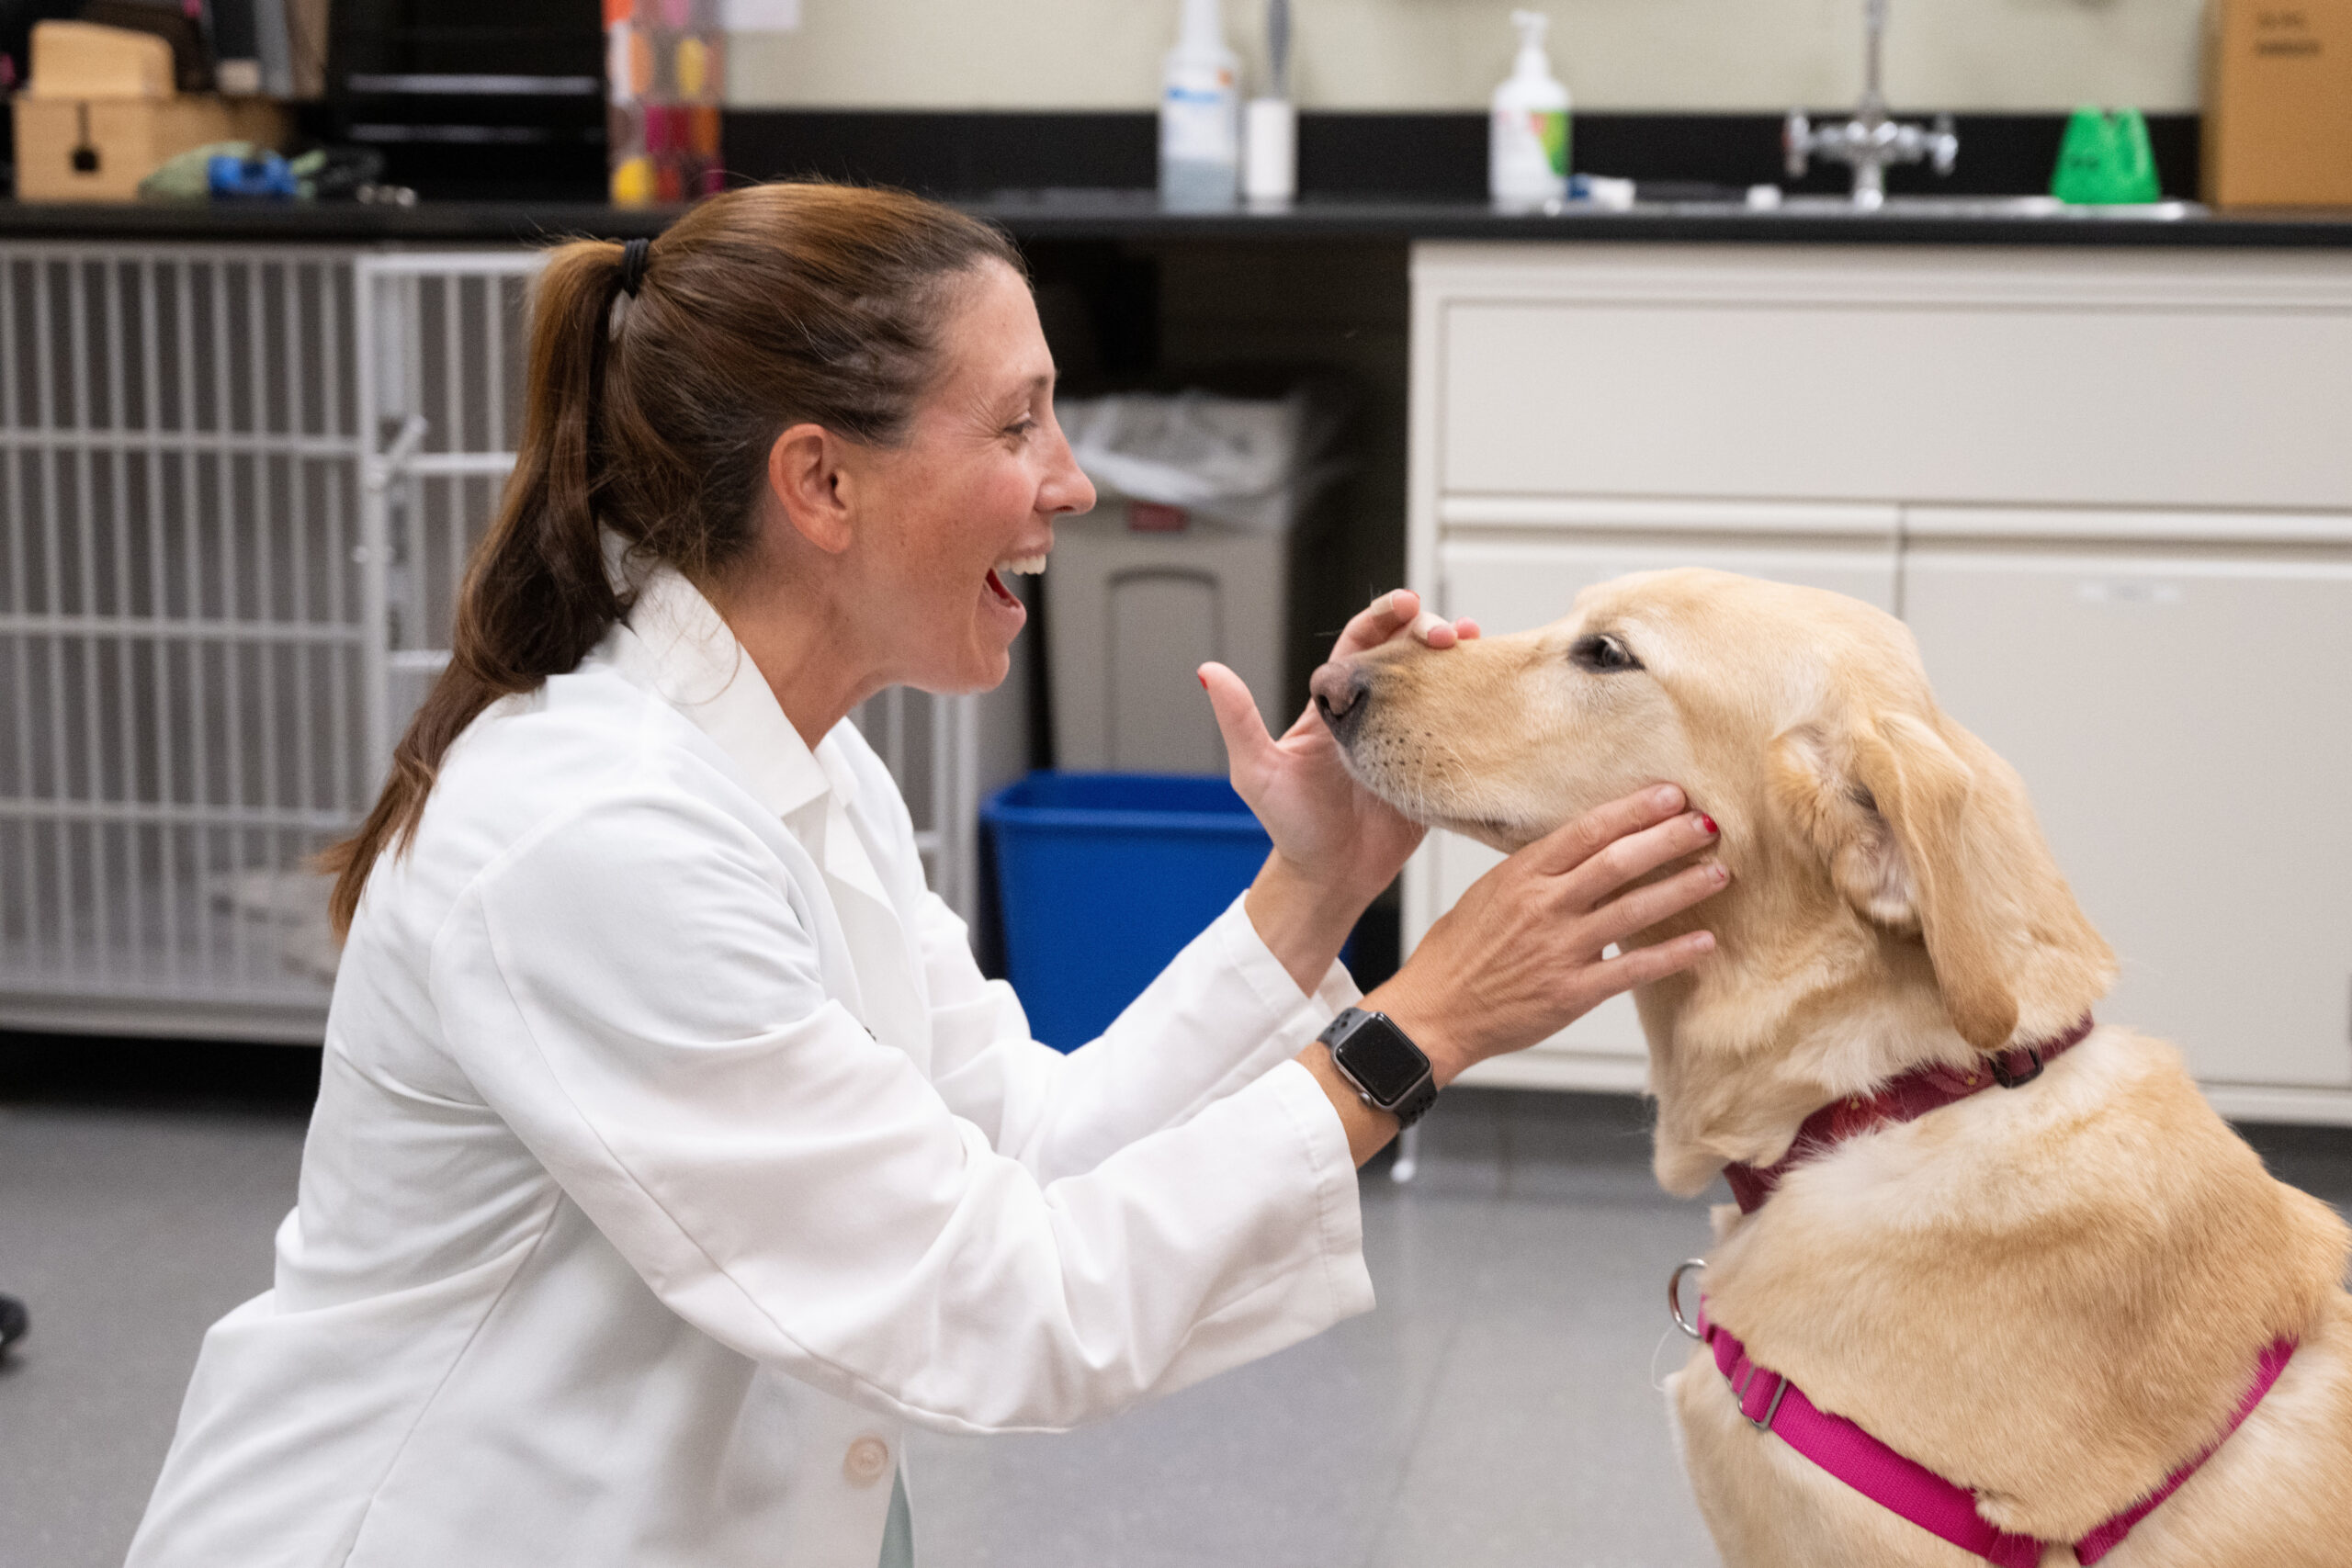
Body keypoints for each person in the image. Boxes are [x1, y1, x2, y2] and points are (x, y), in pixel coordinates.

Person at [126, 184, 1725, 1568]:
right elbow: (1001, 1307)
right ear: (822, 484)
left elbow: (1020, 1146)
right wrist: (1415, 1033)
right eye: (1019, 421)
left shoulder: (806, 764)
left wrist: (1312, 890)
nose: (1075, 482)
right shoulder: (598, 840)